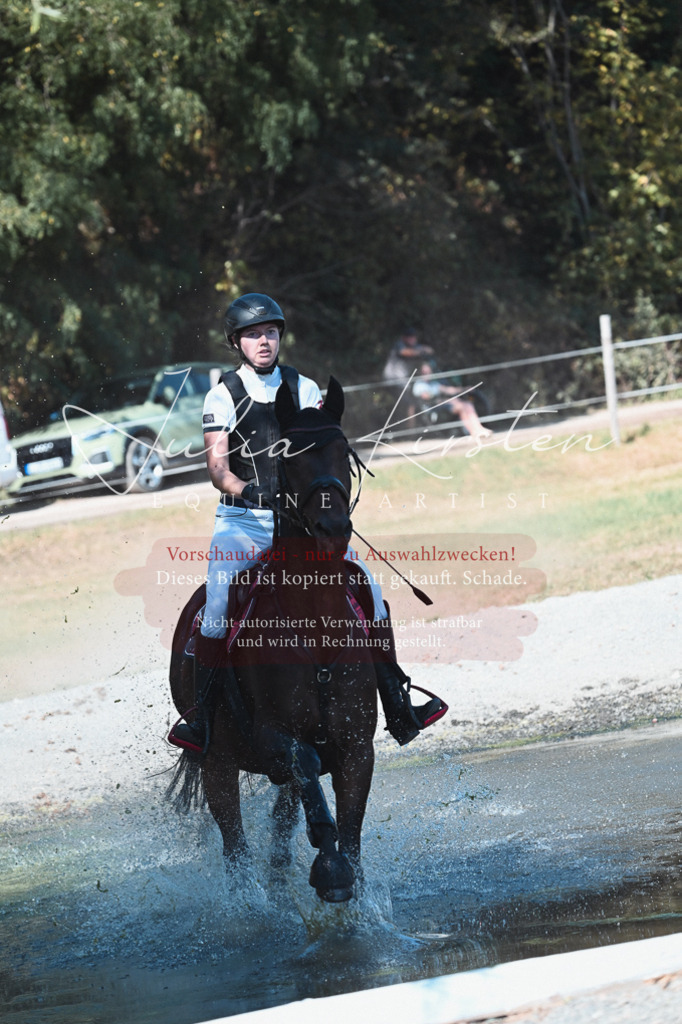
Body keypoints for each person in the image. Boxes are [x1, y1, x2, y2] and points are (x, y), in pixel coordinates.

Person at [169, 293, 444, 754]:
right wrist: (251, 491)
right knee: (216, 608)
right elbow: (218, 469)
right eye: (254, 334)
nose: (264, 341)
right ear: (236, 341)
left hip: (304, 526)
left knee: (371, 595)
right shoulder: (222, 394)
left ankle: (397, 699)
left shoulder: (306, 388)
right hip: (245, 523)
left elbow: (319, 449)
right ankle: (204, 720)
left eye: (271, 332)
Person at [412, 361, 493, 439]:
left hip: (443, 405)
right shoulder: (419, 385)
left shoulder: (433, 384)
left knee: (467, 404)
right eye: (424, 372)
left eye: (428, 372)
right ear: (420, 372)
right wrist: (446, 400)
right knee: (460, 406)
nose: (427, 374)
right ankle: (473, 431)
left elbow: (449, 390)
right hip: (434, 409)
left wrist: (464, 389)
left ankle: (478, 428)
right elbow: (428, 399)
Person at [383, 328, 435, 419]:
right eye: (410, 338)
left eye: (414, 337)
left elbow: (430, 350)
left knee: (411, 404)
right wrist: (421, 351)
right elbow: (405, 352)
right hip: (393, 381)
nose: (413, 339)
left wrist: (424, 349)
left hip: (402, 383)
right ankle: (410, 431)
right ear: (404, 338)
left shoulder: (415, 346)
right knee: (409, 404)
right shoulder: (399, 345)